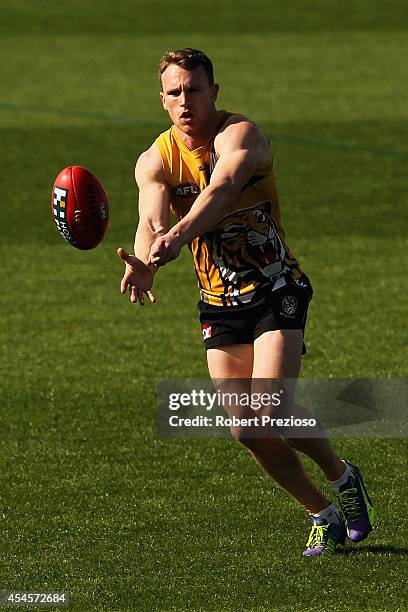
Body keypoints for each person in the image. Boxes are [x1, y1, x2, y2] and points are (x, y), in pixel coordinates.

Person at [117, 48, 375, 556]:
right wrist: (145, 256)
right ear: (163, 100)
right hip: (219, 301)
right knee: (245, 428)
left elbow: (223, 187)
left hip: (276, 287)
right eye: (175, 92)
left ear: (214, 91)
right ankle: (320, 511)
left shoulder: (241, 135)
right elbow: (150, 220)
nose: (185, 100)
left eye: (194, 89)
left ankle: (343, 478)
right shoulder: (154, 159)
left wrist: (179, 234)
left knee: (273, 408)